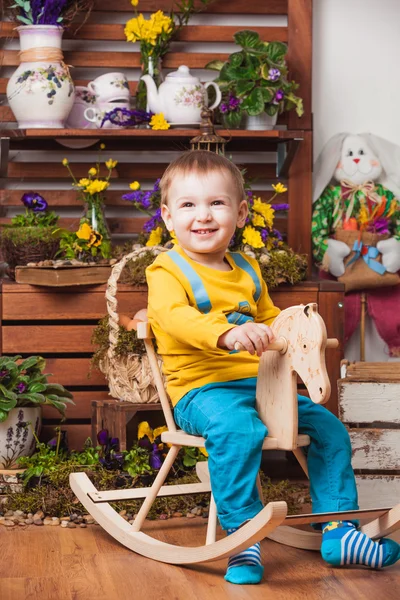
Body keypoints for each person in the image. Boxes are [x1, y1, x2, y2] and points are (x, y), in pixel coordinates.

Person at [144, 150, 400, 585]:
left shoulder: (246, 268)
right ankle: (243, 539)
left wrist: (292, 331)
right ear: (168, 217)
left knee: (329, 428)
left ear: (241, 213)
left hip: (261, 386)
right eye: (188, 205)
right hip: (201, 392)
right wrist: (224, 333)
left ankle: (339, 530)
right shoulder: (167, 269)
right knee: (239, 430)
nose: (203, 215)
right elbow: (172, 318)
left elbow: (269, 320)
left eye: (217, 203)